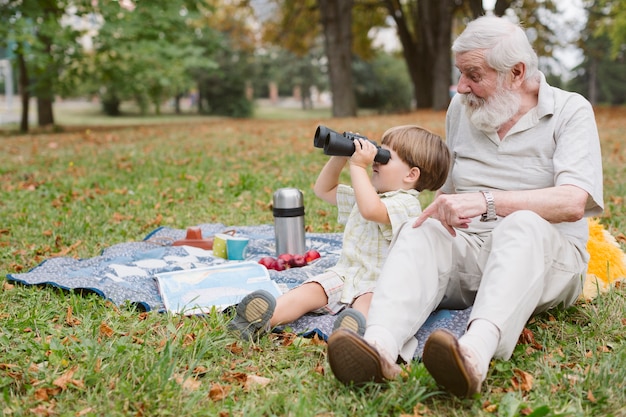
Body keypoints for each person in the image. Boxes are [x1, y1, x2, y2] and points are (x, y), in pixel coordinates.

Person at [326, 15, 604, 398]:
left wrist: (490, 202)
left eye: (474, 75)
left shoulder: (570, 111)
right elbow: (449, 195)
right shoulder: (462, 108)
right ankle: (378, 348)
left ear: (516, 73)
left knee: (521, 224)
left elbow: (574, 202)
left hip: (547, 258)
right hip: (473, 252)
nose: (461, 87)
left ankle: (472, 356)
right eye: (460, 74)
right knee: (421, 229)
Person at [229, 125, 451, 340]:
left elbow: (371, 210)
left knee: (369, 307)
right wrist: (341, 157)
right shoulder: (371, 193)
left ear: (411, 175)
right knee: (308, 292)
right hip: (345, 275)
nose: (375, 158)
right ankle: (260, 320)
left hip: (380, 282)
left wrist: (357, 167)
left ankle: (351, 334)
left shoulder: (407, 204)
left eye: (385, 156)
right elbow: (324, 190)